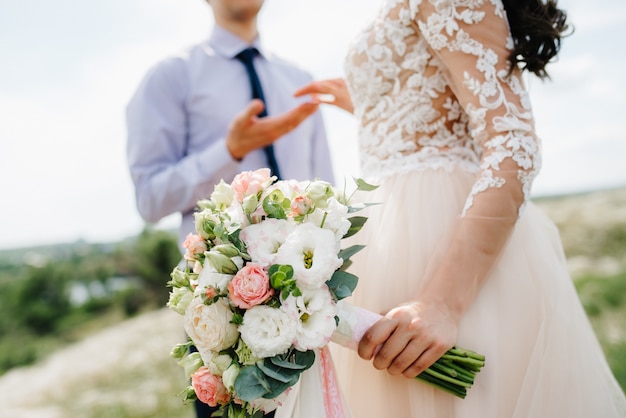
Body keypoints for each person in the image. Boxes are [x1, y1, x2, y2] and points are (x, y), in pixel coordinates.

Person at [275, 0, 626, 417]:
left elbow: (514, 144)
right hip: (391, 234)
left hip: (439, 250)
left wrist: (441, 303)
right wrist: (378, 106)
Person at [126, 0, 335, 416]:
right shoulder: (171, 77)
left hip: (315, 309)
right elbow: (149, 199)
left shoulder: (300, 81)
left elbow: (327, 193)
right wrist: (228, 150)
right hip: (226, 321)